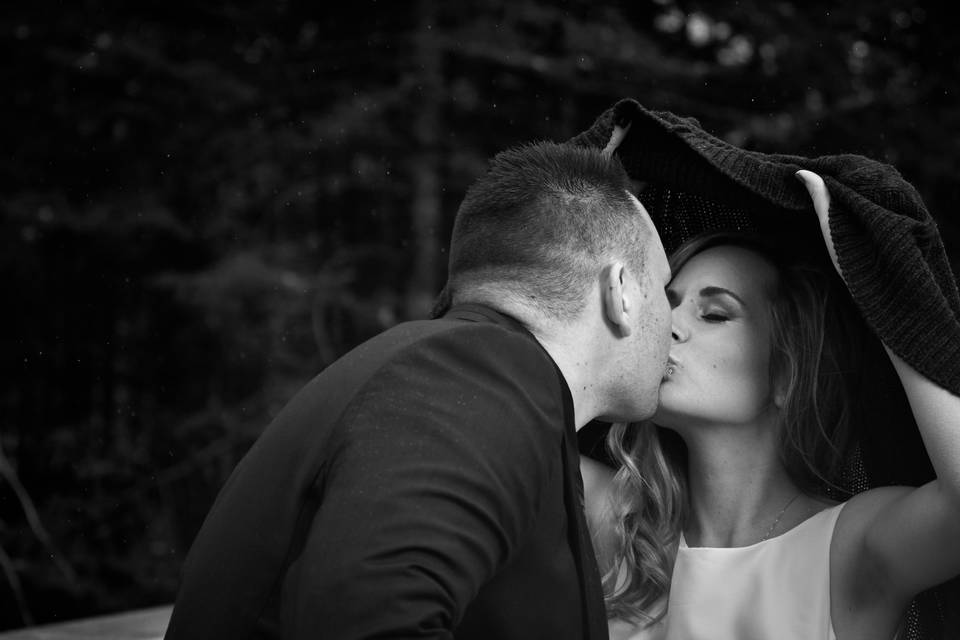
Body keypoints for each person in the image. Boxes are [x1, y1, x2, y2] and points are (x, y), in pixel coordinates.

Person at [163, 140, 674, 640]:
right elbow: (369, 622)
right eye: (665, 290)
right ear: (622, 292)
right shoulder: (474, 375)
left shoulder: (467, 378)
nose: (671, 322)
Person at [580, 169, 960, 640]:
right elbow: (485, 381)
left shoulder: (848, 548)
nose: (667, 326)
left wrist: (873, 271)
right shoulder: (616, 524)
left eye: (715, 313)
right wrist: (587, 212)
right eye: (664, 304)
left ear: (785, 370)